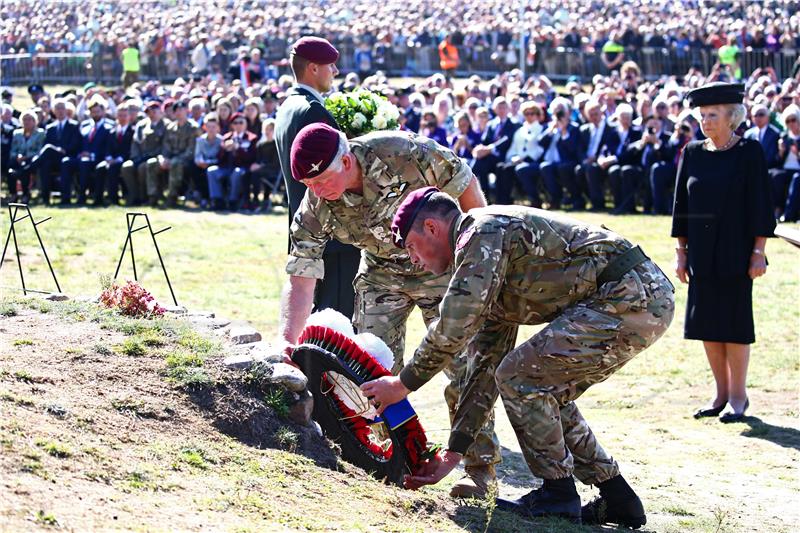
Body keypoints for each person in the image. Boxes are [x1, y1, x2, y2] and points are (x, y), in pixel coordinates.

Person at [362, 187, 674, 526]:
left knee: (521, 376)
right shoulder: (484, 261)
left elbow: (451, 329)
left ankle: (558, 494)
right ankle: (617, 497)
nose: (413, 260)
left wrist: (402, 384)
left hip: (630, 294)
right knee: (540, 388)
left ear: (433, 229)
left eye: (411, 246)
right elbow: (484, 367)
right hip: (631, 296)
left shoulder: (480, 235)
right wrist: (455, 452)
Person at [279, 123, 501, 498]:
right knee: (364, 368)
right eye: (308, 186)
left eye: (321, 181)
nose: (316, 192)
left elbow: (468, 192)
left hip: (442, 266)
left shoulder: (405, 152)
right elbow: (301, 276)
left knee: (465, 368)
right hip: (382, 277)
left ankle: (479, 471)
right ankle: (377, 458)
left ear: (346, 160)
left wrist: (477, 264)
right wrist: (286, 343)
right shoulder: (316, 202)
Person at [672, 82, 776, 423]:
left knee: (733, 324)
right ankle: (718, 394)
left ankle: (738, 397)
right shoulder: (693, 152)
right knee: (707, 324)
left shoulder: (749, 152)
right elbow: (681, 206)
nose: (705, 122)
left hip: (736, 249)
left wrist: (758, 251)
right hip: (700, 253)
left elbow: (761, 203)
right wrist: (681, 252)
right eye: (702, 116)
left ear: (732, 117)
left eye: (712, 115)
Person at [275, 35, 361, 319]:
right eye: (330, 65)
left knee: (319, 317)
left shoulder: (290, 105)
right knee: (335, 320)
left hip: (308, 226)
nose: (335, 72)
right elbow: (334, 171)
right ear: (313, 67)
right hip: (331, 233)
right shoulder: (312, 111)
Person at [574, 98, 621, 211]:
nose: (594, 117)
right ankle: (588, 199)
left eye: (596, 114)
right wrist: (584, 159)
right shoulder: (584, 129)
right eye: (591, 114)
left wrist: (597, 158)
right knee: (578, 170)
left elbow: (611, 148)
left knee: (592, 169)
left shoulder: (611, 129)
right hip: (587, 161)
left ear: (601, 113)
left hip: (603, 161)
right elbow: (580, 149)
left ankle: (598, 204)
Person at [471, 96, 519, 203]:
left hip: (504, 157)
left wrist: (489, 149)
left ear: (508, 109)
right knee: (481, 163)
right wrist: (480, 149)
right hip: (490, 158)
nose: (502, 110)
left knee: (483, 163)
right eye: (499, 107)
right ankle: (484, 197)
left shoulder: (514, 124)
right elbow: (485, 140)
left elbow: (506, 140)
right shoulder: (491, 124)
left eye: (504, 107)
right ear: (494, 109)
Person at [121, 101, 168, 206]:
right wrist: (135, 157)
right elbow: (136, 142)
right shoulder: (141, 125)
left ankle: (146, 197)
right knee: (126, 167)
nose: (151, 114)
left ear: (160, 112)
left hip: (157, 157)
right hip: (141, 156)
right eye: (149, 112)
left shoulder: (166, 125)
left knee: (143, 168)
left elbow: (165, 144)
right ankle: (134, 196)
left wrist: (158, 155)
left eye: (154, 112)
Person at [153, 100, 199, 207]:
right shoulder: (170, 128)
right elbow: (166, 146)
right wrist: (164, 158)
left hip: (187, 160)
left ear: (186, 111)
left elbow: (191, 150)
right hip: (172, 158)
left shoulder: (193, 127)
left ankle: (172, 197)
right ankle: (153, 195)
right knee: (152, 164)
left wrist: (175, 159)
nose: (179, 113)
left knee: (175, 163)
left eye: (181, 110)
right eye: (176, 110)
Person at [207, 113, 256, 210]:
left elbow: (251, 157)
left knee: (237, 173)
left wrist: (238, 149)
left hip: (242, 168)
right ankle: (217, 200)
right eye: (235, 123)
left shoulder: (251, 138)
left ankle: (233, 200)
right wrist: (224, 149)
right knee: (211, 171)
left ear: (246, 124)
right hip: (226, 167)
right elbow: (219, 159)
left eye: (241, 122)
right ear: (232, 125)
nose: (238, 125)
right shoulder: (226, 137)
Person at [37, 98, 81, 205]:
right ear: (53, 111)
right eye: (57, 108)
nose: (60, 111)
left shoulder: (74, 125)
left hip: (68, 156)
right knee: (45, 164)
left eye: (62, 108)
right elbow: (46, 143)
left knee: (63, 161)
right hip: (54, 158)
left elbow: (76, 144)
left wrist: (64, 150)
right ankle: (45, 198)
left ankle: (66, 198)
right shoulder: (50, 127)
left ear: (66, 110)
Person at [504, 101, 545, 207]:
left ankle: (535, 199)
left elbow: (540, 149)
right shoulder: (519, 131)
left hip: (534, 161)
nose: (529, 116)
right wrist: (513, 158)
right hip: (518, 160)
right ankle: (505, 201)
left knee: (521, 169)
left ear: (537, 115)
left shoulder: (542, 129)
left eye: (532, 113)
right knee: (503, 168)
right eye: (527, 114)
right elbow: (513, 149)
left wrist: (525, 159)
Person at [7, 110, 45, 203]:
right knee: (10, 168)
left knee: (25, 169)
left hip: (32, 160)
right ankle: (13, 194)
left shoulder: (40, 133)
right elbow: (13, 149)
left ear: (34, 121)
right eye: (24, 119)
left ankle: (25, 194)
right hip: (18, 159)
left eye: (29, 119)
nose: (26, 122)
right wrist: (17, 156)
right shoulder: (17, 133)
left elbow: (39, 150)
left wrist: (26, 157)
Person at [772, 105, 800, 221]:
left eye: (793, 120)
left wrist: (797, 153)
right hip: (786, 168)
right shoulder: (784, 137)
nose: (791, 123)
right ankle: (777, 210)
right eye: (788, 121)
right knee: (775, 175)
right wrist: (781, 152)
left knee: (796, 178)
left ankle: (788, 214)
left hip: (798, 169)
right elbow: (777, 160)